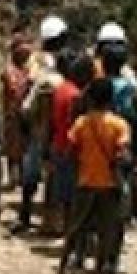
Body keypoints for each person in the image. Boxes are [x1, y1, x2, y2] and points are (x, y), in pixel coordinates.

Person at [56, 78, 131, 274]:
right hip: (108, 186)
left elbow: (69, 151)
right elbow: (123, 153)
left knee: (75, 227)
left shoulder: (82, 122)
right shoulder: (119, 125)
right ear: (110, 99)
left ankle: (61, 269)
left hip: (85, 183)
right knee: (105, 234)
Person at [95, 22, 137, 274]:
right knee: (119, 207)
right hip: (122, 154)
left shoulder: (95, 86)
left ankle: (83, 254)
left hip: (94, 151)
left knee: (91, 202)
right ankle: (112, 260)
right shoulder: (132, 90)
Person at [16, 15, 69, 233]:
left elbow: (27, 98)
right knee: (54, 175)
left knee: (32, 171)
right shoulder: (66, 64)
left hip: (39, 126)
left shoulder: (36, 62)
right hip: (56, 128)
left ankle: (27, 215)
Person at [45, 50, 94, 236]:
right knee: (74, 195)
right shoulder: (75, 96)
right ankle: (73, 234)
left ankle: (67, 230)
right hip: (70, 149)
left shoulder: (60, 89)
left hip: (58, 145)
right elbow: (76, 125)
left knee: (64, 194)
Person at [0, 35, 34, 189]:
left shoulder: (28, 69)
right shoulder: (9, 71)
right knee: (13, 147)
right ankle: (13, 178)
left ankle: (22, 177)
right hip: (13, 115)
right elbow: (14, 90)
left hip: (26, 114)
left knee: (24, 146)